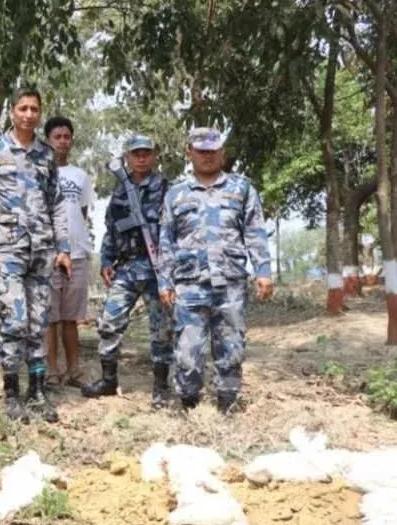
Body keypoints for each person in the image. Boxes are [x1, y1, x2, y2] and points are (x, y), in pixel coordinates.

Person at [0, 87, 71, 423]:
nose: (28, 114)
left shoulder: (46, 154)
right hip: (7, 248)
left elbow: (57, 204)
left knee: (38, 322)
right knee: (15, 320)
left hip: (41, 248)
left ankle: (37, 391)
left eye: (34, 109)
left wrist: (63, 248)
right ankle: (12, 393)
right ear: (12, 111)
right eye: (23, 108)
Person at [158, 127, 273, 413]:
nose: (207, 156)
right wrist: (164, 282)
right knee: (187, 350)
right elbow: (166, 241)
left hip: (230, 282)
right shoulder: (175, 194)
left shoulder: (242, 189)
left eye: (213, 150)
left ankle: (227, 403)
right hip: (189, 284)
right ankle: (189, 403)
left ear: (222, 152)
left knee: (231, 346)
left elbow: (255, 232)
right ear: (189, 153)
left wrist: (263, 270)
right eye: (201, 151)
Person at [81, 135, 174, 407]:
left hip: (158, 271)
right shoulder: (120, 192)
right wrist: (106, 261)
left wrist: (172, 270)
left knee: (161, 331)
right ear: (128, 158)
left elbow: (177, 231)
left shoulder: (167, 189)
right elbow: (111, 230)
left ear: (154, 156)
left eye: (146, 153)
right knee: (108, 324)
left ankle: (160, 388)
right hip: (127, 268)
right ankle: (109, 381)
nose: (141, 158)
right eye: (136, 154)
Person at [41, 116, 95, 387]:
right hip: (48, 255)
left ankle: (74, 370)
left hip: (77, 254)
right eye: (57, 137)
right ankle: (51, 371)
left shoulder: (80, 176)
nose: (62, 142)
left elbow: (81, 213)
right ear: (47, 141)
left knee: (71, 318)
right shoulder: (39, 172)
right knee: (50, 318)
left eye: (66, 137)